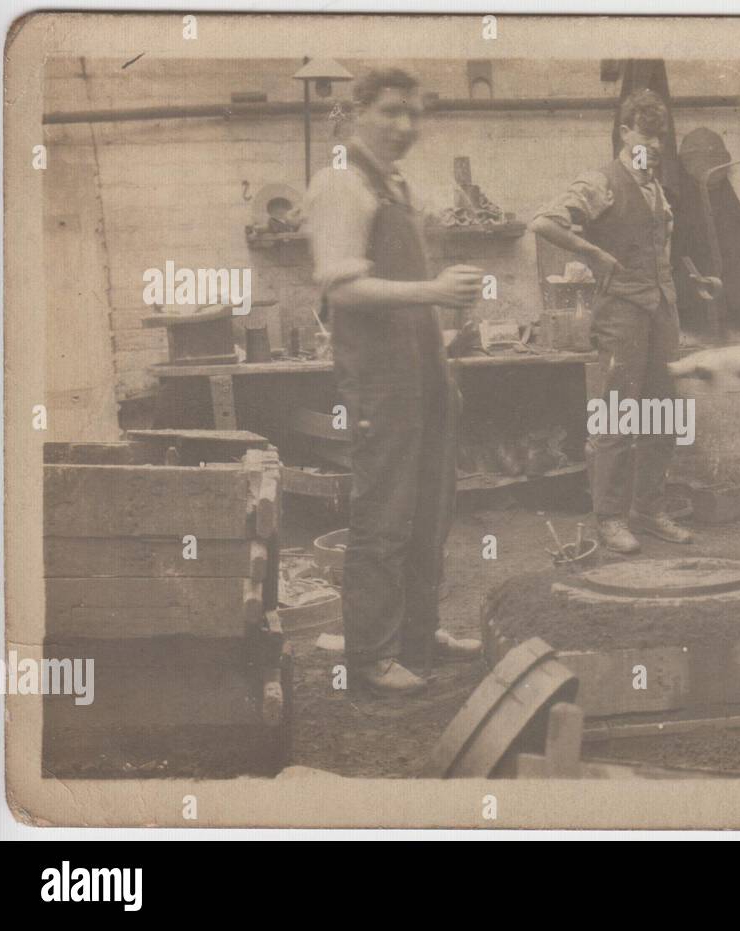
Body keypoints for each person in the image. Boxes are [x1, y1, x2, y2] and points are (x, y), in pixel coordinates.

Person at [305, 68, 484, 695]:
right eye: (391, 112)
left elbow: (400, 284)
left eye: (415, 113)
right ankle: (371, 659)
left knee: (431, 509)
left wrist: (443, 329)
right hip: (380, 378)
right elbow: (341, 285)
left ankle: (416, 633)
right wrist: (432, 291)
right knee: (383, 516)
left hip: (423, 370)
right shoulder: (339, 184)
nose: (406, 126)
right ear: (358, 111)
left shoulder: (397, 185)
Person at [530, 89, 695, 554]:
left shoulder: (655, 188)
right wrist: (592, 253)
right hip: (621, 312)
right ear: (624, 133)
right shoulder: (601, 181)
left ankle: (648, 510)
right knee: (618, 415)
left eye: (659, 137)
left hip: (661, 310)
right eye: (645, 135)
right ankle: (610, 518)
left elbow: (652, 249)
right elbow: (544, 222)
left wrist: (691, 281)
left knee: (663, 414)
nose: (654, 146)